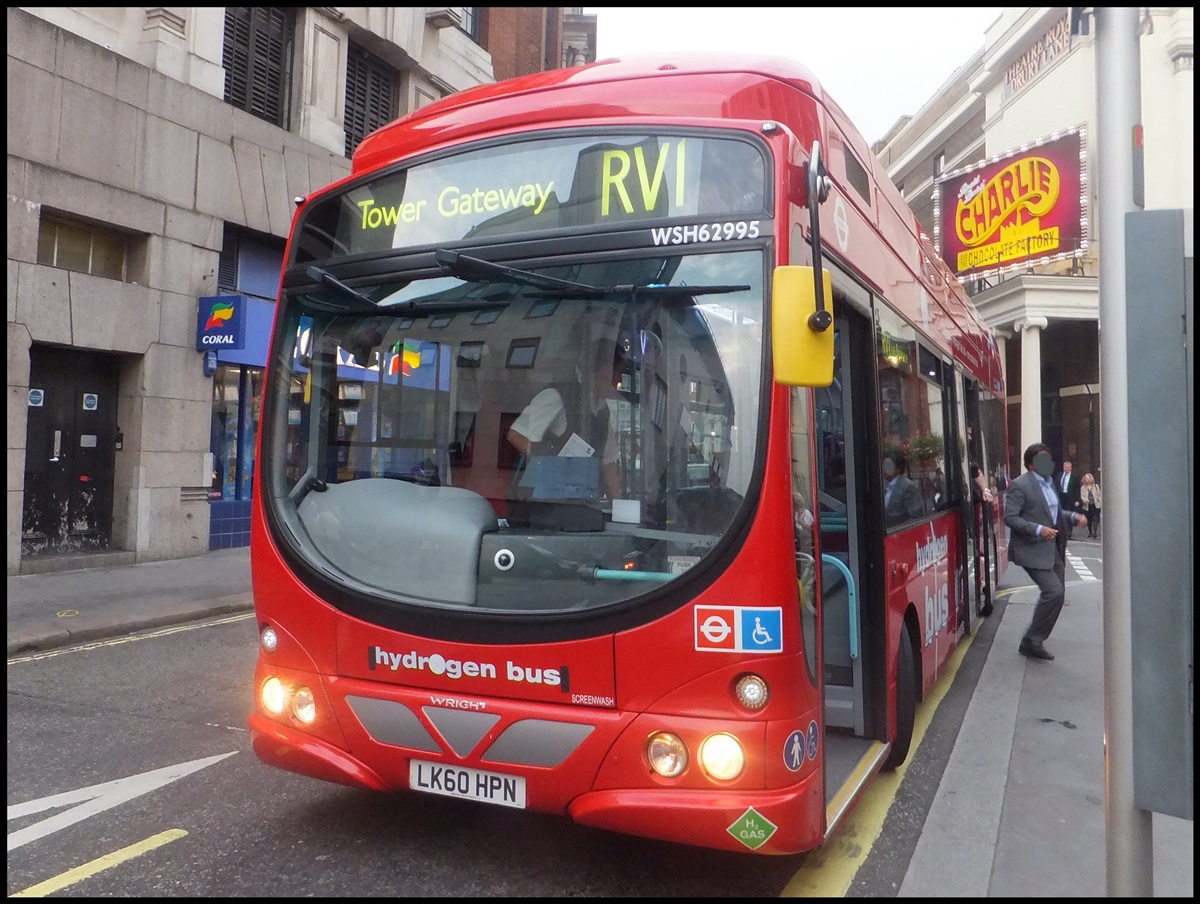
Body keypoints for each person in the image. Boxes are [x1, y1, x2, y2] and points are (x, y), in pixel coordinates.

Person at [507, 336, 626, 500]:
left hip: (581, 505)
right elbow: (517, 435)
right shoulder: (556, 395)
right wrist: (553, 462)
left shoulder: (603, 411)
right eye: (617, 372)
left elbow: (608, 464)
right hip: (544, 505)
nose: (619, 380)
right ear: (601, 370)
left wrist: (620, 508)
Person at [1004, 442, 1088, 660]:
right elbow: (1011, 517)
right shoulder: (1020, 485)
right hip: (1031, 548)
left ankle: (1034, 640)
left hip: (1053, 547)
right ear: (1031, 464)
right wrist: (1038, 530)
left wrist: (1072, 517)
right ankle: (1031, 639)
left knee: (1057, 596)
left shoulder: (1049, 483)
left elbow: (1055, 511)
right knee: (1053, 592)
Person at [882, 452, 924, 526]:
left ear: (898, 468)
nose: (884, 468)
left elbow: (916, 517)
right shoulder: (885, 485)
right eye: (883, 465)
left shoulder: (907, 487)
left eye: (888, 465)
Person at [1056, 459, 1082, 538]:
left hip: (1070, 498)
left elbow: (1077, 489)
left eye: (1068, 467)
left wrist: (1077, 500)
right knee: (1060, 514)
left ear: (1071, 468)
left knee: (1068, 514)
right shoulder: (1059, 475)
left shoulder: (1074, 477)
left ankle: (1069, 531)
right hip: (1061, 496)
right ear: (1063, 468)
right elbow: (1056, 485)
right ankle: (1061, 530)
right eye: (1065, 467)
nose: (1067, 469)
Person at [1080, 471, 1102, 538]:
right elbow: (1082, 496)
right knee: (1089, 519)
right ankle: (1090, 532)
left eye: (1088, 478)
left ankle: (1094, 532)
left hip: (1095, 505)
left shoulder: (1095, 486)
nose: (1087, 480)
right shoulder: (1083, 488)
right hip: (1087, 505)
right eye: (1085, 478)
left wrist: (1099, 502)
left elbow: (1099, 495)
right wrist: (1086, 500)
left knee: (1095, 518)